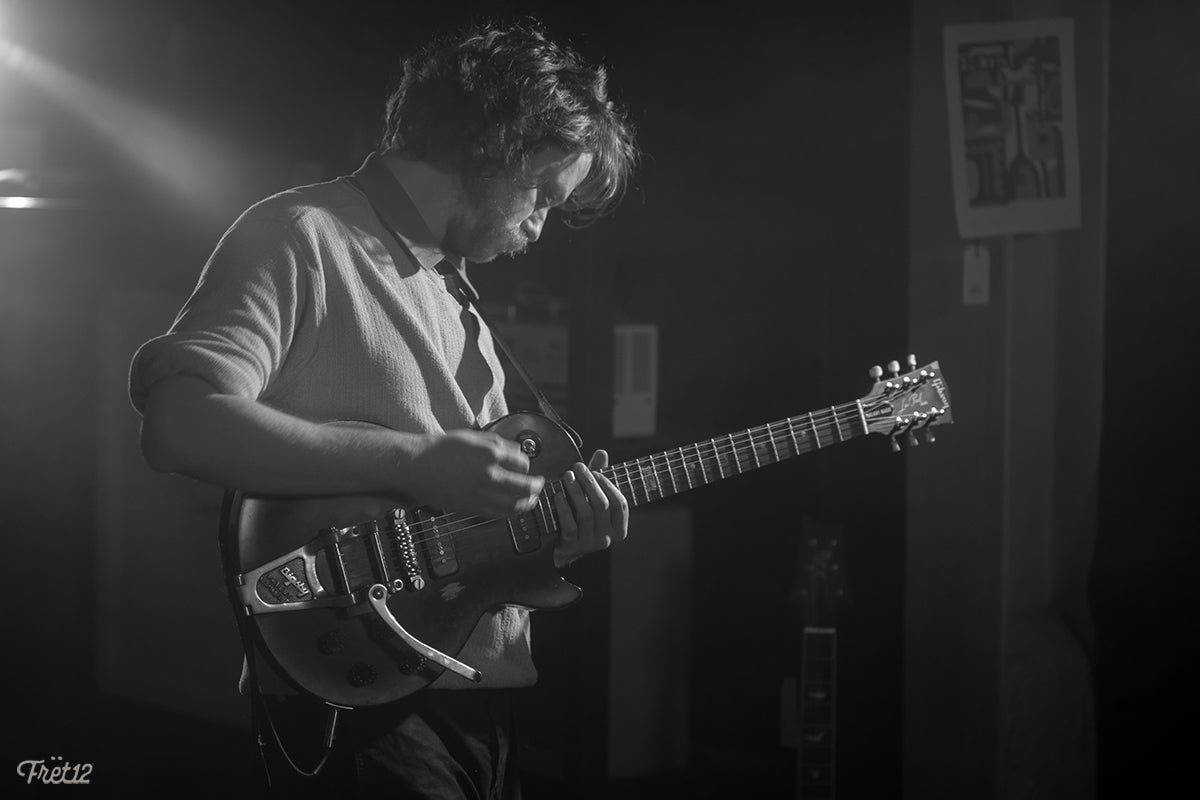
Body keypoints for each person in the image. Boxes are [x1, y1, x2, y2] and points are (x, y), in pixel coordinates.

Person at [128, 18, 638, 798]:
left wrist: (556, 541)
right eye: (540, 194)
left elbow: (460, 525)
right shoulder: (303, 233)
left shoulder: (450, 286)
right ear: (493, 146)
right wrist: (414, 461)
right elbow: (178, 423)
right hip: (360, 696)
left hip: (476, 704)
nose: (540, 226)